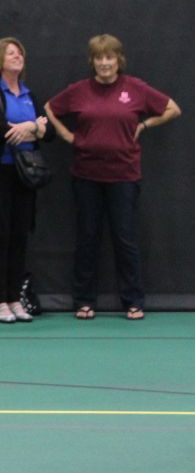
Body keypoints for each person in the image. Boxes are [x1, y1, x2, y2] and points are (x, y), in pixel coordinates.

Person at [45, 33, 181, 321]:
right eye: (99, 58)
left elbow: (172, 108)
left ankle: (133, 301)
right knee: (87, 239)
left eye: (109, 57)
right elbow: (49, 108)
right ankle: (84, 301)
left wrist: (144, 124)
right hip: (86, 175)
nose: (104, 63)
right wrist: (66, 133)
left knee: (125, 239)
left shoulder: (135, 88)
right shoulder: (79, 90)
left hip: (124, 176)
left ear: (119, 60)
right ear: (92, 62)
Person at [0, 37, 55, 322]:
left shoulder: (31, 95)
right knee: (1, 235)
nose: (17, 55)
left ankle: (15, 298)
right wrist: (35, 128)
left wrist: (31, 126)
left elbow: (50, 131)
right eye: (10, 52)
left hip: (25, 176)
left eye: (20, 51)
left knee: (20, 236)